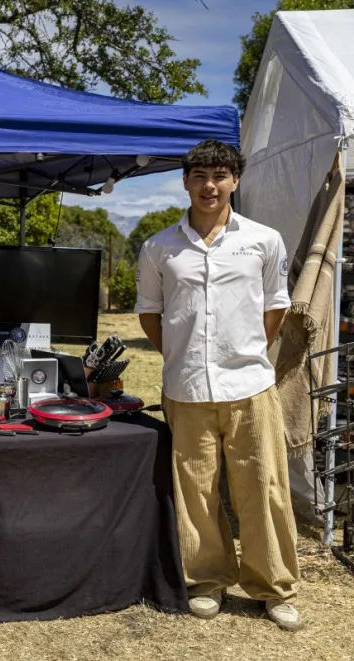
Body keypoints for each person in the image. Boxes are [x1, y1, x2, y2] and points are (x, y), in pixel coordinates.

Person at [135, 139, 302, 631]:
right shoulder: (159, 246)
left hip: (249, 385)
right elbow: (151, 314)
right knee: (196, 492)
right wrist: (184, 354)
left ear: (235, 180)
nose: (210, 186)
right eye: (200, 176)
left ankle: (274, 588)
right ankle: (206, 581)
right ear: (185, 182)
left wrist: (241, 352)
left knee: (263, 489)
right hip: (185, 388)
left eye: (220, 176)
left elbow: (276, 306)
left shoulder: (264, 240)